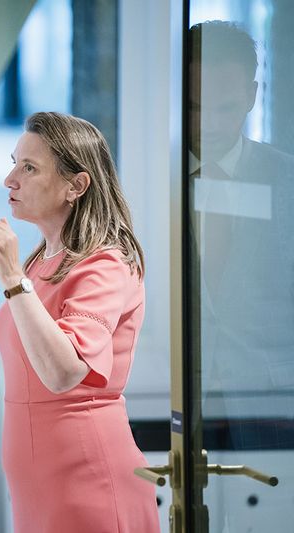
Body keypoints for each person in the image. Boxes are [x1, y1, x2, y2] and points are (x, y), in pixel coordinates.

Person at [0, 112, 159, 532]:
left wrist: (12, 279)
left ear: (76, 186)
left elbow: (63, 372)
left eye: (30, 168)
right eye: (14, 162)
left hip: (87, 483)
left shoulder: (106, 264)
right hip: (40, 489)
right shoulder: (43, 260)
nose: (9, 180)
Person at [187, 21, 294, 430]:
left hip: (271, 400)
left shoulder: (287, 180)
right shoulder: (150, 182)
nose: (209, 123)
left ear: (252, 95)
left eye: (225, 107)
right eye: (196, 107)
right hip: (177, 394)